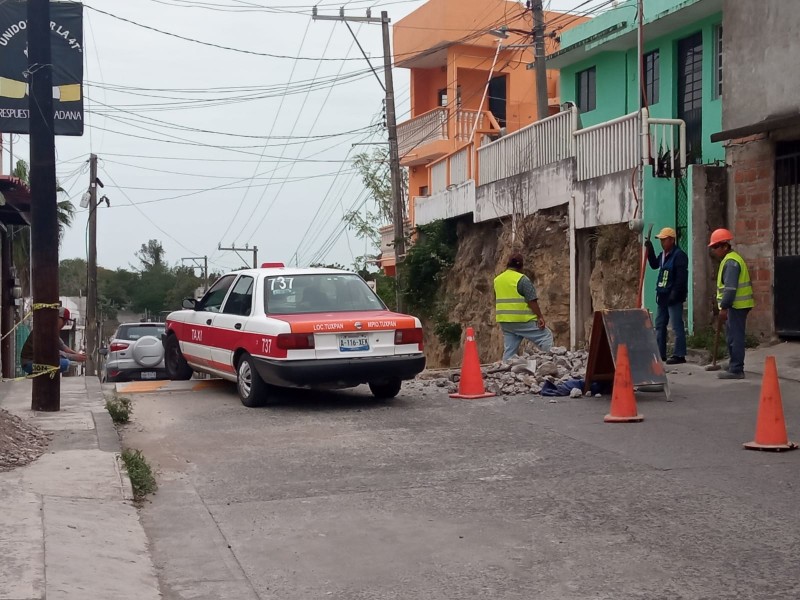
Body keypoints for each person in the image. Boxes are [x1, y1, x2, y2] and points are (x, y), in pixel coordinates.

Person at [708, 228, 754, 379]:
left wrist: (724, 307)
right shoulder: (729, 260)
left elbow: (730, 289)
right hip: (735, 305)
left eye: (715, 247)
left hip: (736, 306)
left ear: (725, 246)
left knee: (735, 337)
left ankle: (736, 369)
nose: (714, 250)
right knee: (731, 335)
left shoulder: (731, 263)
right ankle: (733, 362)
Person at [494, 252, 554, 361]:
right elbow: (532, 301)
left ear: (507, 264)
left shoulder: (497, 280)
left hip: (505, 321)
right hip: (522, 320)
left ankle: (506, 370)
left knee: (510, 350)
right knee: (546, 336)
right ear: (521, 266)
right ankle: (548, 363)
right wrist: (540, 317)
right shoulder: (522, 279)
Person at [644, 226, 689, 365]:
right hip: (663, 295)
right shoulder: (663, 255)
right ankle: (660, 353)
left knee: (676, 325)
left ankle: (679, 354)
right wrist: (650, 250)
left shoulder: (679, 255)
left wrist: (675, 293)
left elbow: (681, 278)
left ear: (671, 240)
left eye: (664, 240)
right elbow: (653, 264)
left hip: (673, 296)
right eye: (660, 240)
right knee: (659, 325)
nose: (662, 243)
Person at [20, 306, 86, 375]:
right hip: (29, 363)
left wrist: (77, 354)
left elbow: (63, 347)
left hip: (38, 362)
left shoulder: (52, 330)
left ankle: (38, 375)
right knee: (64, 363)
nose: (64, 324)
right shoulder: (45, 330)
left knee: (64, 362)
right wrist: (74, 357)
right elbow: (53, 352)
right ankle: (37, 375)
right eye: (63, 320)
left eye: (66, 321)